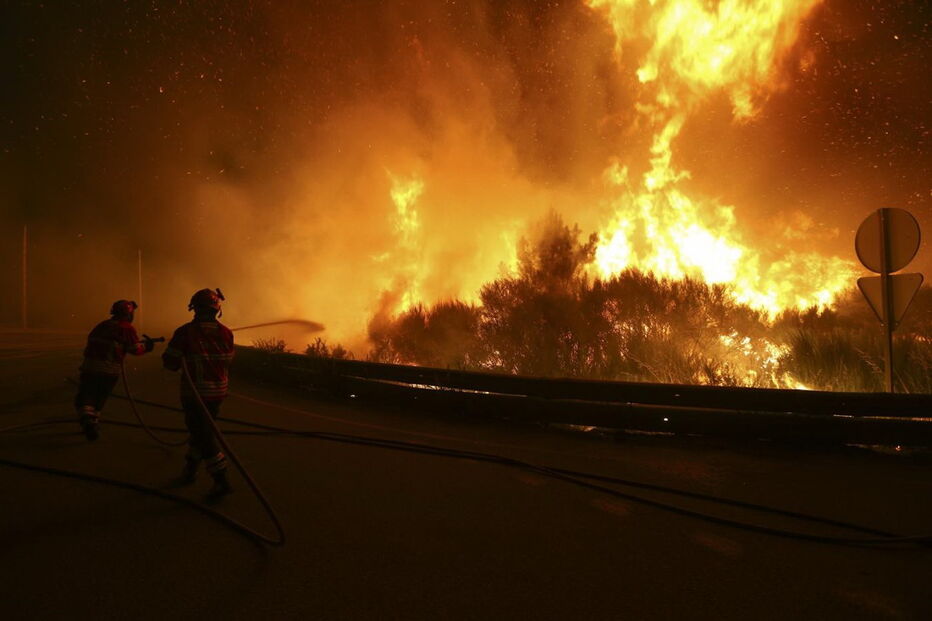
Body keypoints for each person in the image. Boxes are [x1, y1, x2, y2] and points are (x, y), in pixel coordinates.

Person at [162, 288, 235, 498]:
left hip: (195, 394)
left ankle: (221, 480)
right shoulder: (226, 333)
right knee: (200, 432)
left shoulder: (185, 332)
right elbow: (229, 360)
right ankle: (191, 469)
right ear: (217, 309)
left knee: (204, 435)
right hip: (218, 393)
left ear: (194, 309)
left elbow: (170, 363)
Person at [75, 300, 155, 441]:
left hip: (90, 367)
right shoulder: (126, 328)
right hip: (110, 370)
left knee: (86, 396)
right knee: (100, 396)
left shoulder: (102, 325)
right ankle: (92, 422)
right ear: (128, 314)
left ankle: (89, 421)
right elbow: (135, 349)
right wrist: (147, 347)